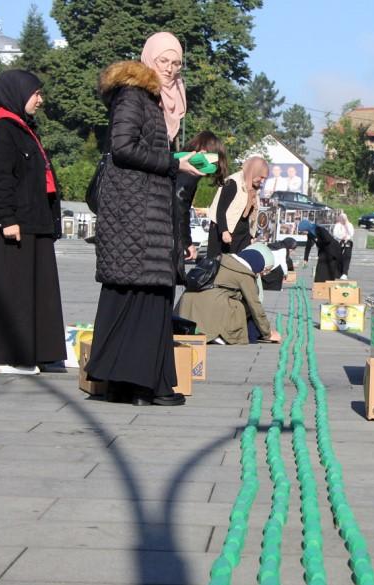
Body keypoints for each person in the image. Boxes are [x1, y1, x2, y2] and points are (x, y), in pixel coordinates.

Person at [84, 32, 204, 406]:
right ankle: (146, 384)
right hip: (132, 212)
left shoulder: (155, 100)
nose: (169, 69)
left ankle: (127, 383)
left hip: (144, 211)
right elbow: (121, 147)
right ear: (148, 59)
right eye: (163, 61)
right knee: (145, 293)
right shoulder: (134, 95)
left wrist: (177, 161)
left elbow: (141, 148)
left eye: (176, 63)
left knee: (142, 294)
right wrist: (173, 162)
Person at [0, 69, 66, 375]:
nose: (40, 99)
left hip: (35, 221)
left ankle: (40, 353)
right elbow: (0, 179)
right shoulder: (2, 129)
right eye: (36, 93)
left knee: (39, 293)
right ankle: (8, 357)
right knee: (13, 292)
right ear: (17, 93)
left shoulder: (24, 128)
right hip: (17, 223)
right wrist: (6, 218)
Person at [177, 245, 282, 345]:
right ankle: (219, 334)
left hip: (184, 311)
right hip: (208, 311)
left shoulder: (222, 259)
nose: (263, 274)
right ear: (256, 266)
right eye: (265, 270)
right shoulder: (244, 274)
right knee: (242, 306)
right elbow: (255, 306)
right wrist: (268, 333)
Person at [174, 130, 228, 283]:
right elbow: (180, 206)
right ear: (204, 153)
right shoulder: (190, 172)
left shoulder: (176, 165)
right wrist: (186, 243)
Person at [206, 156, 269, 259]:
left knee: (240, 264)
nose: (262, 181)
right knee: (218, 265)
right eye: (261, 177)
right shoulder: (232, 182)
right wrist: (224, 231)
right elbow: (220, 209)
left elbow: (251, 215)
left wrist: (252, 236)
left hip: (242, 233)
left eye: (264, 179)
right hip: (223, 230)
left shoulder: (254, 188)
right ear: (253, 172)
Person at [300, 218, 343, 282]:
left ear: (307, 228)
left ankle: (330, 283)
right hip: (324, 250)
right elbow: (308, 246)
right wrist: (305, 259)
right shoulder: (310, 234)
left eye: (303, 230)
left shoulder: (320, 229)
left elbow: (328, 240)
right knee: (320, 267)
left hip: (333, 250)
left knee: (330, 268)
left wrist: (318, 241)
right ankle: (319, 284)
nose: (303, 232)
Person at [332, 212, 355, 278]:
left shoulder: (349, 225)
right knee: (339, 258)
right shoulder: (337, 225)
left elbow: (351, 233)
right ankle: (338, 273)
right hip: (339, 243)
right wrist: (341, 237)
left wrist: (347, 237)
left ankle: (345, 273)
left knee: (347, 257)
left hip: (348, 243)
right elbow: (335, 234)